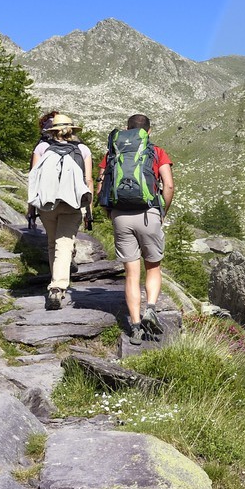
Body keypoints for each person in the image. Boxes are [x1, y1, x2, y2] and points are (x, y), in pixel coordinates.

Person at [97, 113, 176, 343]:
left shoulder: (114, 151)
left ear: (127, 129)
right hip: (148, 213)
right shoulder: (156, 152)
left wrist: (109, 212)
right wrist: (162, 212)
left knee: (131, 274)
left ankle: (134, 326)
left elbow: (102, 183)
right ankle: (150, 309)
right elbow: (168, 185)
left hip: (120, 214)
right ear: (148, 132)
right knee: (153, 266)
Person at [27, 114, 94, 310]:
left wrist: (31, 208)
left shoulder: (41, 148)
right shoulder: (83, 150)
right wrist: (89, 211)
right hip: (72, 203)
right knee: (64, 243)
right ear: (72, 130)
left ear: (52, 130)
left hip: (47, 203)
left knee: (52, 242)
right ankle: (57, 287)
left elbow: (34, 179)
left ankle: (55, 279)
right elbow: (88, 181)